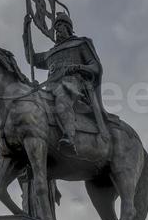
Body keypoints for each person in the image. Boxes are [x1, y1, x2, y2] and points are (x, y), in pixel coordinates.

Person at [23, 11, 107, 152]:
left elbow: (96, 67)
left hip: (74, 84)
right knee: (32, 105)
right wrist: (26, 33)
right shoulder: (50, 53)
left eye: (60, 26)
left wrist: (79, 67)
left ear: (68, 27)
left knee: (62, 98)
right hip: (50, 87)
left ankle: (69, 137)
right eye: (56, 28)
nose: (57, 30)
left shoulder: (81, 43)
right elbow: (30, 58)